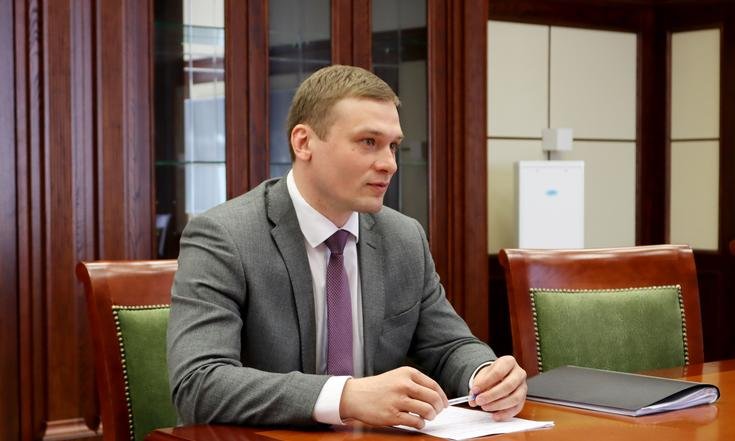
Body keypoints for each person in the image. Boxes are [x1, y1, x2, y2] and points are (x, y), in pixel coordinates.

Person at [167, 64, 527, 429]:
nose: (389, 164)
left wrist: (486, 375)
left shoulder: (404, 237)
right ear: (303, 142)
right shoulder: (224, 236)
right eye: (369, 142)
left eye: (393, 146)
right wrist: (345, 396)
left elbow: (448, 346)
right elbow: (199, 384)